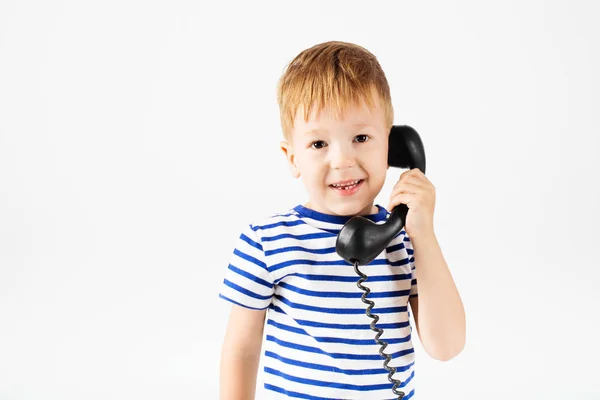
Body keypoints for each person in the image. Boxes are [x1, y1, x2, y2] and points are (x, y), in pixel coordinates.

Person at [218, 40, 466, 400]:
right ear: (291, 158)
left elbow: (447, 347)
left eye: (361, 138)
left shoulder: (406, 242)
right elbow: (241, 349)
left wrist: (423, 235)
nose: (343, 160)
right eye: (319, 144)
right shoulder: (266, 241)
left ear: (393, 148)